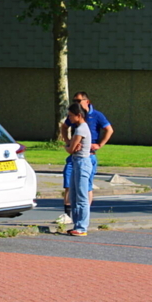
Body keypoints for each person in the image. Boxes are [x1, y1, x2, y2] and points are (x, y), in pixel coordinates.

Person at [56, 91, 113, 227]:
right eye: (74, 100)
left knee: (84, 191)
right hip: (76, 157)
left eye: (78, 100)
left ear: (87, 101)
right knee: (71, 187)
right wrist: (69, 141)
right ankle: (72, 218)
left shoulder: (91, 119)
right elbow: (64, 127)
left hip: (86, 158)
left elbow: (109, 129)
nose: (76, 103)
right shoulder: (76, 118)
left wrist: (99, 144)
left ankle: (82, 223)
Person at [64, 103, 92, 236]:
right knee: (74, 196)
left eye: (70, 115)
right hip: (76, 162)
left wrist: (67, 146)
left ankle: (82, 227)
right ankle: (77, 225)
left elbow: (70, 149)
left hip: (82, 163)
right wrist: (70, 145)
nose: (69, 118)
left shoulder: (81, 129)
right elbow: (72, 147)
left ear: (79, 115)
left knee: (81, 197)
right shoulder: (79, 128)